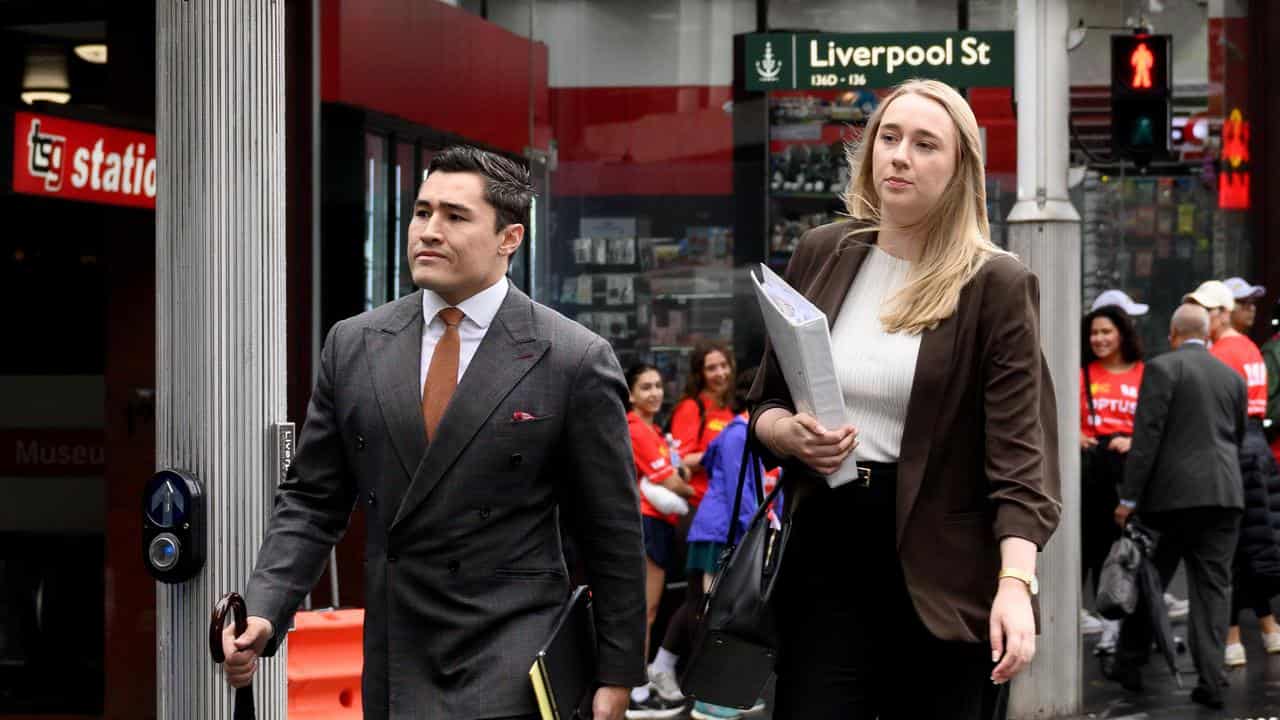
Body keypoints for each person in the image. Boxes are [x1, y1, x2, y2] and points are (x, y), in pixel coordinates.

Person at [221, 146, 646, 720]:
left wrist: (616, 676)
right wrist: (266, 610)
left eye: (455, 216)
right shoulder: (354, 343)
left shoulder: (572, 357)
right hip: (398, 650)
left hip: (515, 654)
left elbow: (612, 531)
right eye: (421, 212)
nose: (428, 231)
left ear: (509, 238)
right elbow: (313, 500)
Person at [748, 79, 1061, 719]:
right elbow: (764, 406)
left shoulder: (994, 282)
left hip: (943, 568)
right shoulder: (823, 251)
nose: (899, 156)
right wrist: (788, 434)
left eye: (925, 144)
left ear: (959, 169)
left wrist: (1014, 584)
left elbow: (1020, 461)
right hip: (827, 547)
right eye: (889, 138)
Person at [1111, 303, 1246, 709]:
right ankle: (1211, 679)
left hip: (1169, 499)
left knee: (1149, 581)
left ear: (1172, 334)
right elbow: (1236, 434)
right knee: (1213, 590)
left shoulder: (1162, 369)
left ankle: (1129, 665)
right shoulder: (1231, 376)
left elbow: (1146, 438)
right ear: (1206, 337)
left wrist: (1128, 498)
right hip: (1223, 495)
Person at [637, 343, 735, 709]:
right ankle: (692, 680)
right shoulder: (691, 408)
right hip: (697, 511)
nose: (720, 373)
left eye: (724, 365)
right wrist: (722, 452)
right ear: (700, 372)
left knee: (703, 597)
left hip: (725, 513)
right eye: (711, 367)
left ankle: (668, 668)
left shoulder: (730, 410)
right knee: (700, 597)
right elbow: (681, 460)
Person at [1188, 280, 1280, 666]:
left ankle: (1232, 638)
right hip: (1256, 449)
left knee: (1227, 548)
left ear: (1221, 313)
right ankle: (1267, 628)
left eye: (1206, 312)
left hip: (1231, 449)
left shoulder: (1223, 354)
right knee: (1250, 545)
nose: (1200, 319)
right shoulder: (1250, 348)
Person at [683, 368, 778, 720]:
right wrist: (763, 530)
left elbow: (709, 461)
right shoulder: (740, 434)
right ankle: (710, 699)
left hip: (719, 531)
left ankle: (717, 695)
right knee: (718, 618)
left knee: (717, 614)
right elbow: (744, 496)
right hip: (722, 534)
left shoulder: (733, 432)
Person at [624, 363, 694, 720]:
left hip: (658, 524)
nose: (654, 393)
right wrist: (692, 489)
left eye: (657, 386)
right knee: (645, 611)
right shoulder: (636, 427)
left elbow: (676, 473)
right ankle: (635, 693)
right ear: (631, 394)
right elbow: (671, 481)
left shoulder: (652, 429)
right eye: (645, 387)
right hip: (647, 524)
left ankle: (637, 687)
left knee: (648, 610)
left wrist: (680, 477)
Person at [1078, 305, 1144, 651]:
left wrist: (1134, 440)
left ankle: (1128, 626)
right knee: (1093, 547)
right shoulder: (1082, 374)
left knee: (1131, 551)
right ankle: (1100, 621)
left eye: (1106, 331)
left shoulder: (1144, 374)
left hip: (1132, 473)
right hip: (1092, 474)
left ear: (1122, 333)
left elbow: (1158, 424)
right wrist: (1075, 435)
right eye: (1094, 333)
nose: (1099, 339)